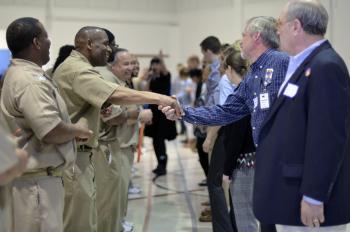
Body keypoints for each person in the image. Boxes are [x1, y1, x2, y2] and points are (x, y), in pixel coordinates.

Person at [161, 16, 289, 232]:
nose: (241, 40)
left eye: (244, 35)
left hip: (282, 162)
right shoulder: (254, 73)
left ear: (256, 37)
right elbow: (226, 111)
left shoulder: (282, 63)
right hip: (263, 160)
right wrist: (184, 113)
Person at [53, 26, 179, 232]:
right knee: (85, 220)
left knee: (99, 211)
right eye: (106, 44)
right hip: (80, 154)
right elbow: (113, 97)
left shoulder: (81, 67)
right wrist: (160, 98)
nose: (109, 50)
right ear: (89, 45)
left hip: (84, 153)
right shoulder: (78, 70)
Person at [254, 1, 350, 231]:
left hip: (309, 204)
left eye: (279, 23)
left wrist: (314, 196)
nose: (277, 30)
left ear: (296, 26)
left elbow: (328, 138)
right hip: (290, 196)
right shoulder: (302, 64)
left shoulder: (325, 66)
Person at [0, 17, 92, 232]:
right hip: (36, 186)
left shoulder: (20, 74)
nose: (50, 42)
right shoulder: (30, 80)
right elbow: (51, 131)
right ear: (36, 42)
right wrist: (77, 129)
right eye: (46, 36)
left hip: (34, 182)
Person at [143, 55, 177, 176]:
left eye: (157, 64)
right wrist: (148, 78)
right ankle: (159, 164)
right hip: (154, 112)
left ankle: (163, 164)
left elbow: (165, 70)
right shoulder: (153, 78)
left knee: (159, 139)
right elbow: (146, 91)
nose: (155, 66)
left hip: (164, 112)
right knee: (155, 141)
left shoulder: (165, 76)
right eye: (153, 64)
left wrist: (161, 58)